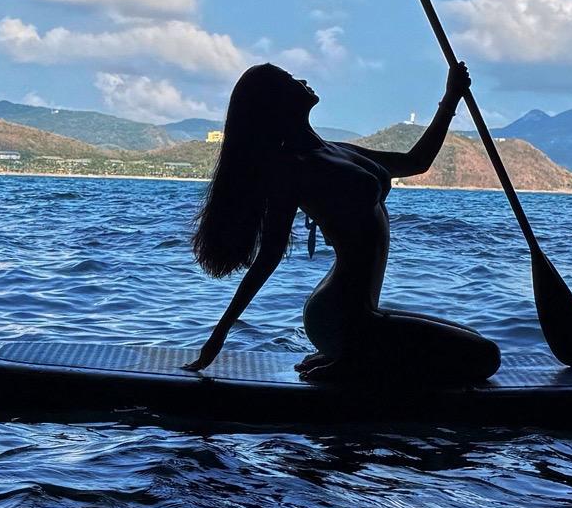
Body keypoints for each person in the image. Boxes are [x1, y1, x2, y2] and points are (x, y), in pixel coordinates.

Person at [187, 61, 501, 386]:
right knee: (485, 356)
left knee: (473, 339)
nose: (302, 79)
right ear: (277, 101)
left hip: (357, 312)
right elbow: (269, 256)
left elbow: (415, 162)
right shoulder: (292, 168)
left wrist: (451, 97)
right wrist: (218, 337)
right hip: (338, 315)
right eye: (291, 79)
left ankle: (354, 354)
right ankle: (354, 358)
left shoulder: (335, 150)